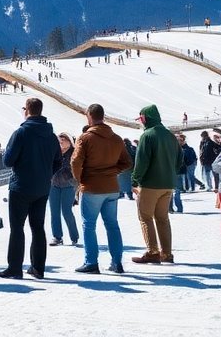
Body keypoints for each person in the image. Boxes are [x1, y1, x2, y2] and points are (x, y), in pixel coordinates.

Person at [0, 98, 60, 279]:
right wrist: (46, 175)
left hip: (21, 186)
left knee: (17, 227)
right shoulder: (51, 135)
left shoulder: (21, 133)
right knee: (38, 227)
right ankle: (38, 268)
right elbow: (58, 161)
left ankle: (15, 268)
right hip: (42, 188)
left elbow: (8, 161)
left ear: (27, 111)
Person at [71, 104, 131, 274]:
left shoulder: (85, 138)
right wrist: (112, 171)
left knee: (88, 225)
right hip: (112, 187)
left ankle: (91, 262)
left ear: (89, 116)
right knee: (112, 225)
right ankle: (117, 262)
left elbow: (75, 162)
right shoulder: (116, 138)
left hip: (91, 187)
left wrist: (80, 179)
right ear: (103, 116)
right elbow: (127, 162)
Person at [131, 105, 182, 263]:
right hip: (168, 184)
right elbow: (180, 161)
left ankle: (152, 252)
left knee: (145, 217)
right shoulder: (170, 135)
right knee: (162, 218)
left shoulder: (148, 135)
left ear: (145, 118)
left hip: (151, 184)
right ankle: (166, 253)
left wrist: (135, 179)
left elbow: (141, 162)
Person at [48, 133, 79, 246]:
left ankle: (74, 236)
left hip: (68, 185)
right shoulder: (54, 153)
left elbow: (74, 169)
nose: (61, 142)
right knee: (54, 211)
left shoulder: (74, 154)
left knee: (66, 211)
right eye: (59, 140)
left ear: (70, 142)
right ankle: (57, 237)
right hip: (53, 185)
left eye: (63, 139)